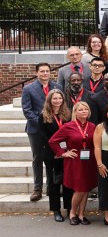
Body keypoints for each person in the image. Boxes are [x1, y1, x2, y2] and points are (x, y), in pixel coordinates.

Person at [47, 100, 97, 225]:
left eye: (86, 109)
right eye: (80, 110)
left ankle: (81, 214)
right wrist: (63, 153)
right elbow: (52, 141)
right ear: (75, 112)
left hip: (89, 161)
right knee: (80, 189)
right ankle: (72, 213)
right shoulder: (68, 126)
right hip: (75, 161)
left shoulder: (92, 126)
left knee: (86, 188)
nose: (84, 111)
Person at [23, 62, 58, 203]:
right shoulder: (28, 89)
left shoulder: (57, 87)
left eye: (47, 71)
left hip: (53, 130)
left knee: (51, 158)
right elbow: (27, 110)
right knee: (38, 158)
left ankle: (51, 187)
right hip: (36, 130)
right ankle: (37, 188)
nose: (45, 73)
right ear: (37, 73)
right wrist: (41, 124)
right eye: (42, 71)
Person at [39, 89, 73, 222]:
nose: (57, 101)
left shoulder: (68, 115)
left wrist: (65, 152)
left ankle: (69, 208)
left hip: (67, 153)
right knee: (54, 183)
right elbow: (43, 137)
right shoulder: (43, 116)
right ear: (49, 100)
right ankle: (56, 210)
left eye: (60, 98)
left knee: (68, 181)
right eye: (54, 98)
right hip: (52, 155)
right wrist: (57, 152)